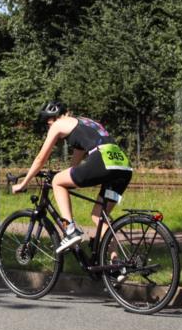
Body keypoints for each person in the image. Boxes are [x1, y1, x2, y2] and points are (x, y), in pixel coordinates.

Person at [11, 101, 133, 253]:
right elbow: (74, 167)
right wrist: (65, 178)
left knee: (57, 182)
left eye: (46, 121)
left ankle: (70, 230)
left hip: (102, 160)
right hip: (123, 166)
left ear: (51, 119)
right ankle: (117, 265)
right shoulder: (84, 123)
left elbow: (40, 159)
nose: (48, 124)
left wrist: (23, 183)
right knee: (99, 216)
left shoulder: (58, 124)